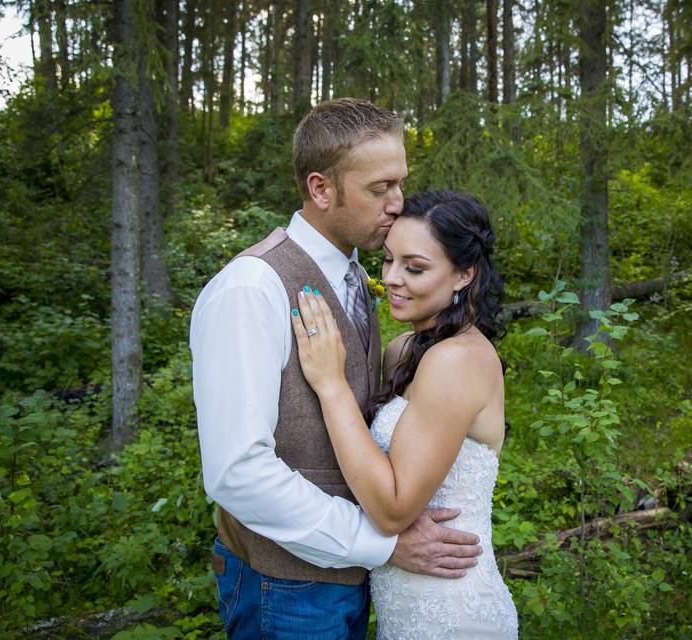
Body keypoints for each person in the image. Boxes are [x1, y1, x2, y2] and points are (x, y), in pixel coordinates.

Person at [190, 100, 482, 639]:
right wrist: (382, 543)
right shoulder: (251, 289)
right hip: (284, 586)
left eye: (400, 184)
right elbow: (237, 473)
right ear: (322, 189)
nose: (399, 204)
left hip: (352, 578)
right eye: (379, 189)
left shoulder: (357, 280)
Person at [292, 190, 519, 639]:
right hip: (402, 607)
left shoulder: (459, 359)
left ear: (464, 274)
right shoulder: (403, 350)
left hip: (452, 612)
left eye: (414, 267)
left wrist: (331, 384)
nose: (392, 279)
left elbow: (393, 510)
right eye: (388, 260)